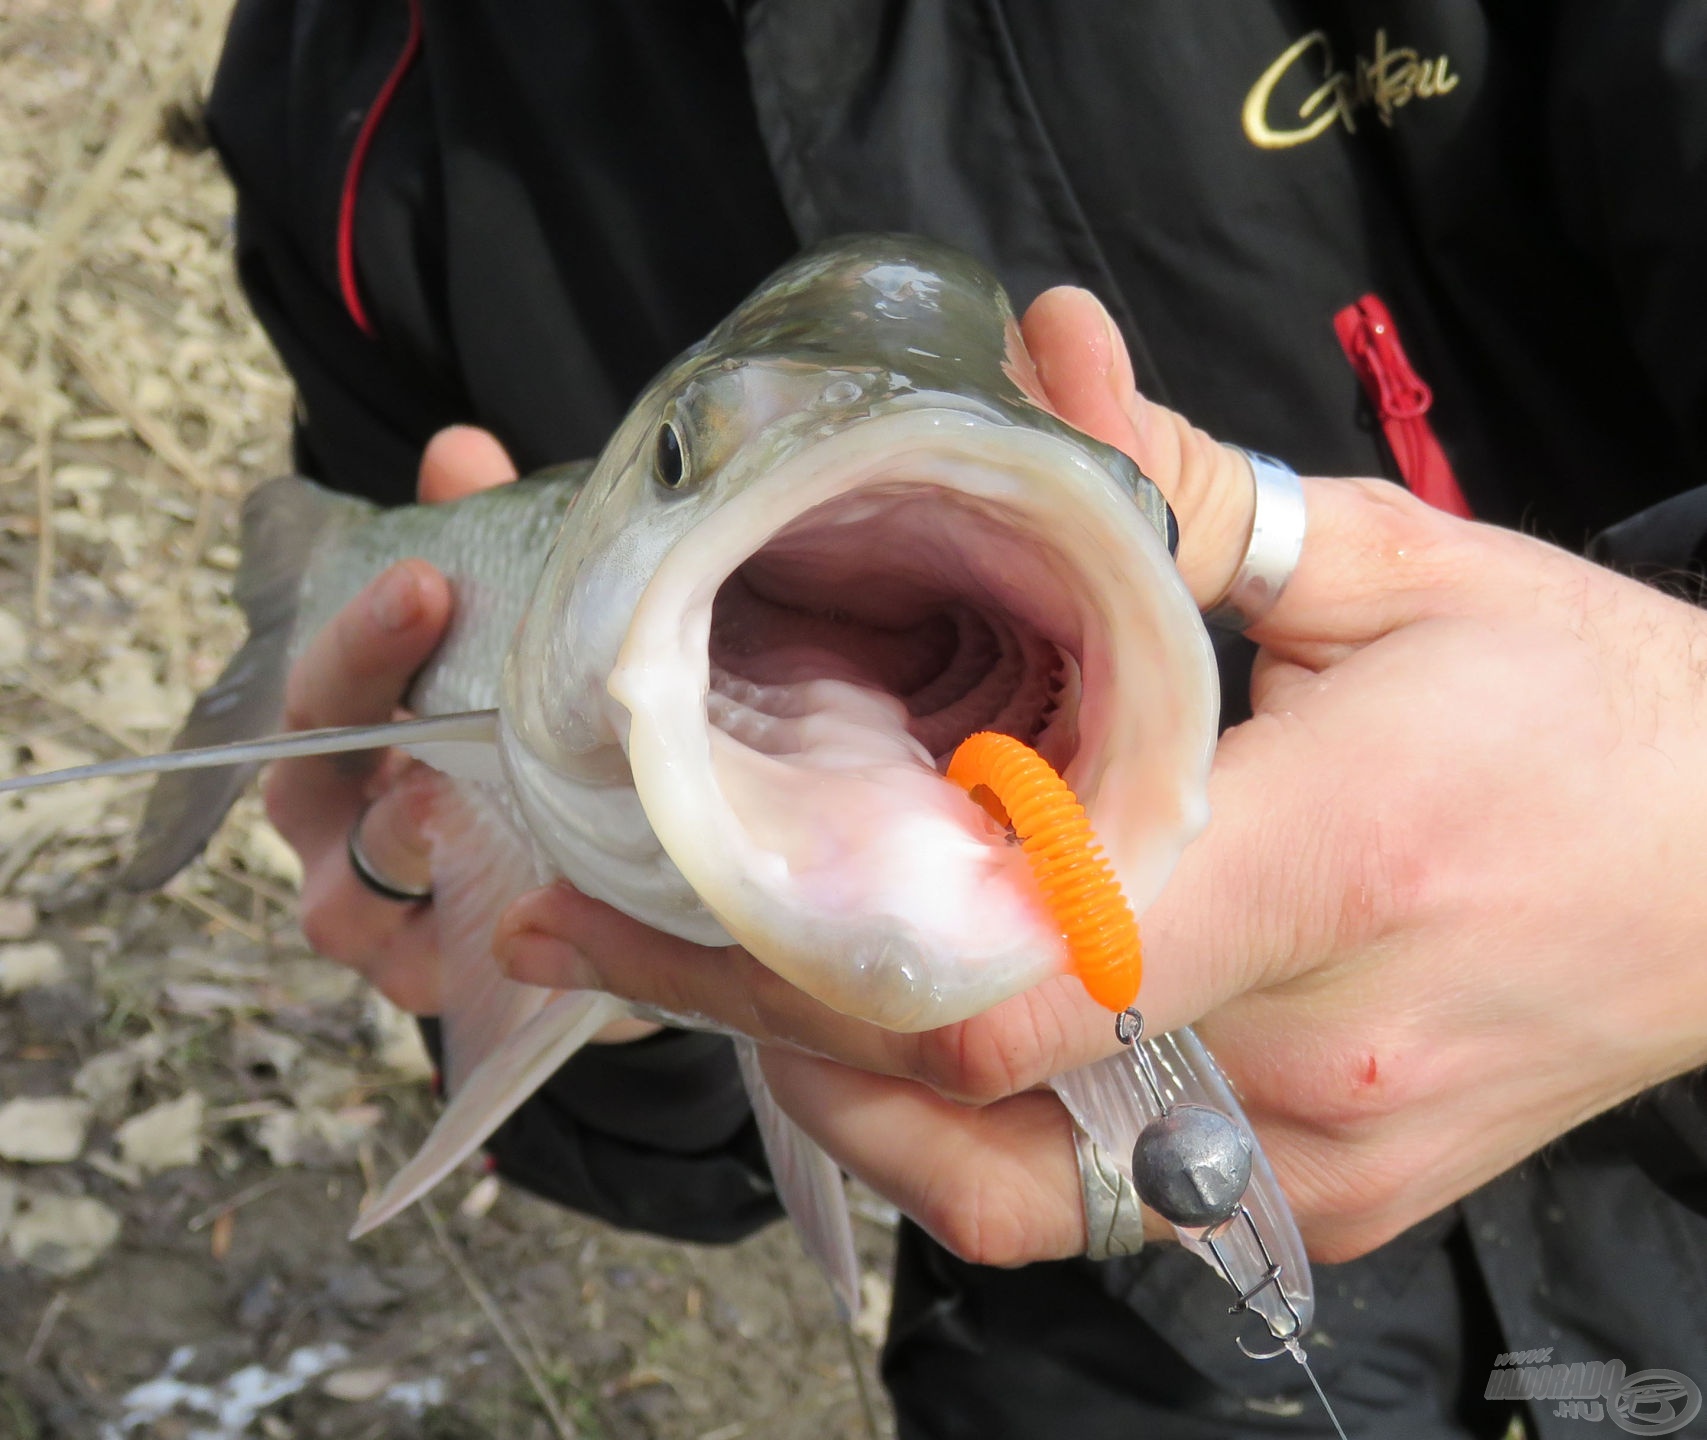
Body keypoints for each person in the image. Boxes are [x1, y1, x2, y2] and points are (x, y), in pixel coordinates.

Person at [205, 4, 1707, 1436]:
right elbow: (671, 1151)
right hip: (1089, 1321)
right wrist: (553, 956)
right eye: (684, 460)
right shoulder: (339, 86)